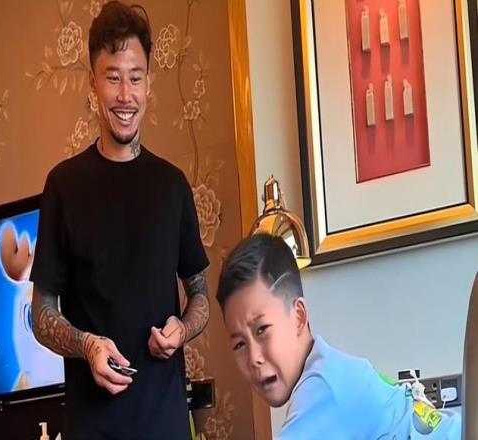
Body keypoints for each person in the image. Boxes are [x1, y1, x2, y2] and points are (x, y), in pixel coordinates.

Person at [30, 2, 210, 439]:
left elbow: (200, 295)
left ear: (149, 82)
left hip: (166, 422)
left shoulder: (172, 186)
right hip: (93, 426)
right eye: (113, 78)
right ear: (93, 83)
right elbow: (41, 313)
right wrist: (86, 344)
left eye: (135, 77)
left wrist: (182, 329)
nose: (126, 96)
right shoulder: (63, 185)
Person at [216, 233, 461, 439]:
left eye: (262, 330)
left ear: (299, 316)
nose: (253, 358)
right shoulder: (330, 369)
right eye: (239, 344)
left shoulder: (323, 388)